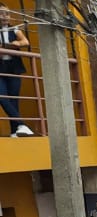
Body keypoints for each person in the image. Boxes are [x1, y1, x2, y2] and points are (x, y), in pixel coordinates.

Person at [0, 6, 34, 138]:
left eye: (7, 14)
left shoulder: (14, 29)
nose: (5, 16)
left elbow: (25, 41)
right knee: (2, 97)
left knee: (14, 99)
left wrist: (16, 44)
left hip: (13, 68)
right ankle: (21, 124)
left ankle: (15, 131)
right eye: (1, 14)